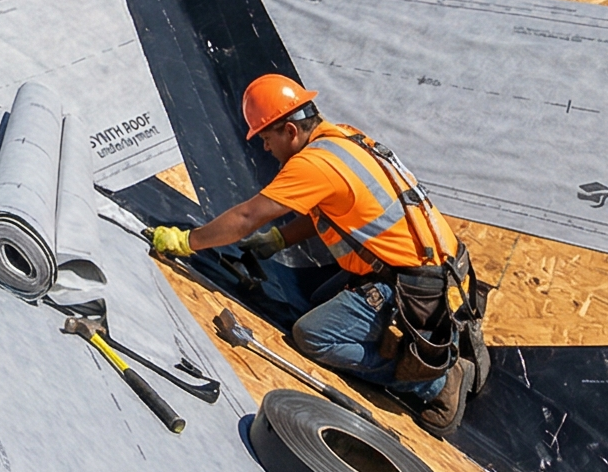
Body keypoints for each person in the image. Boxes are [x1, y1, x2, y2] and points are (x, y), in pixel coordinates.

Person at [148, 73, 486, 432]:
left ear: (290, 132)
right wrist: (280, 238)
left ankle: (436, 380)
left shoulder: (313, 164)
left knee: (313, 335)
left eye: (266, 138)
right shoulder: (344, 138)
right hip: (441, 271)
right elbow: (336, 212)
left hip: (409, 287)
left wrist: (188, 242)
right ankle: (423, 346)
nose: (265, 148)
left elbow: (247, 216)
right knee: (320, 298)